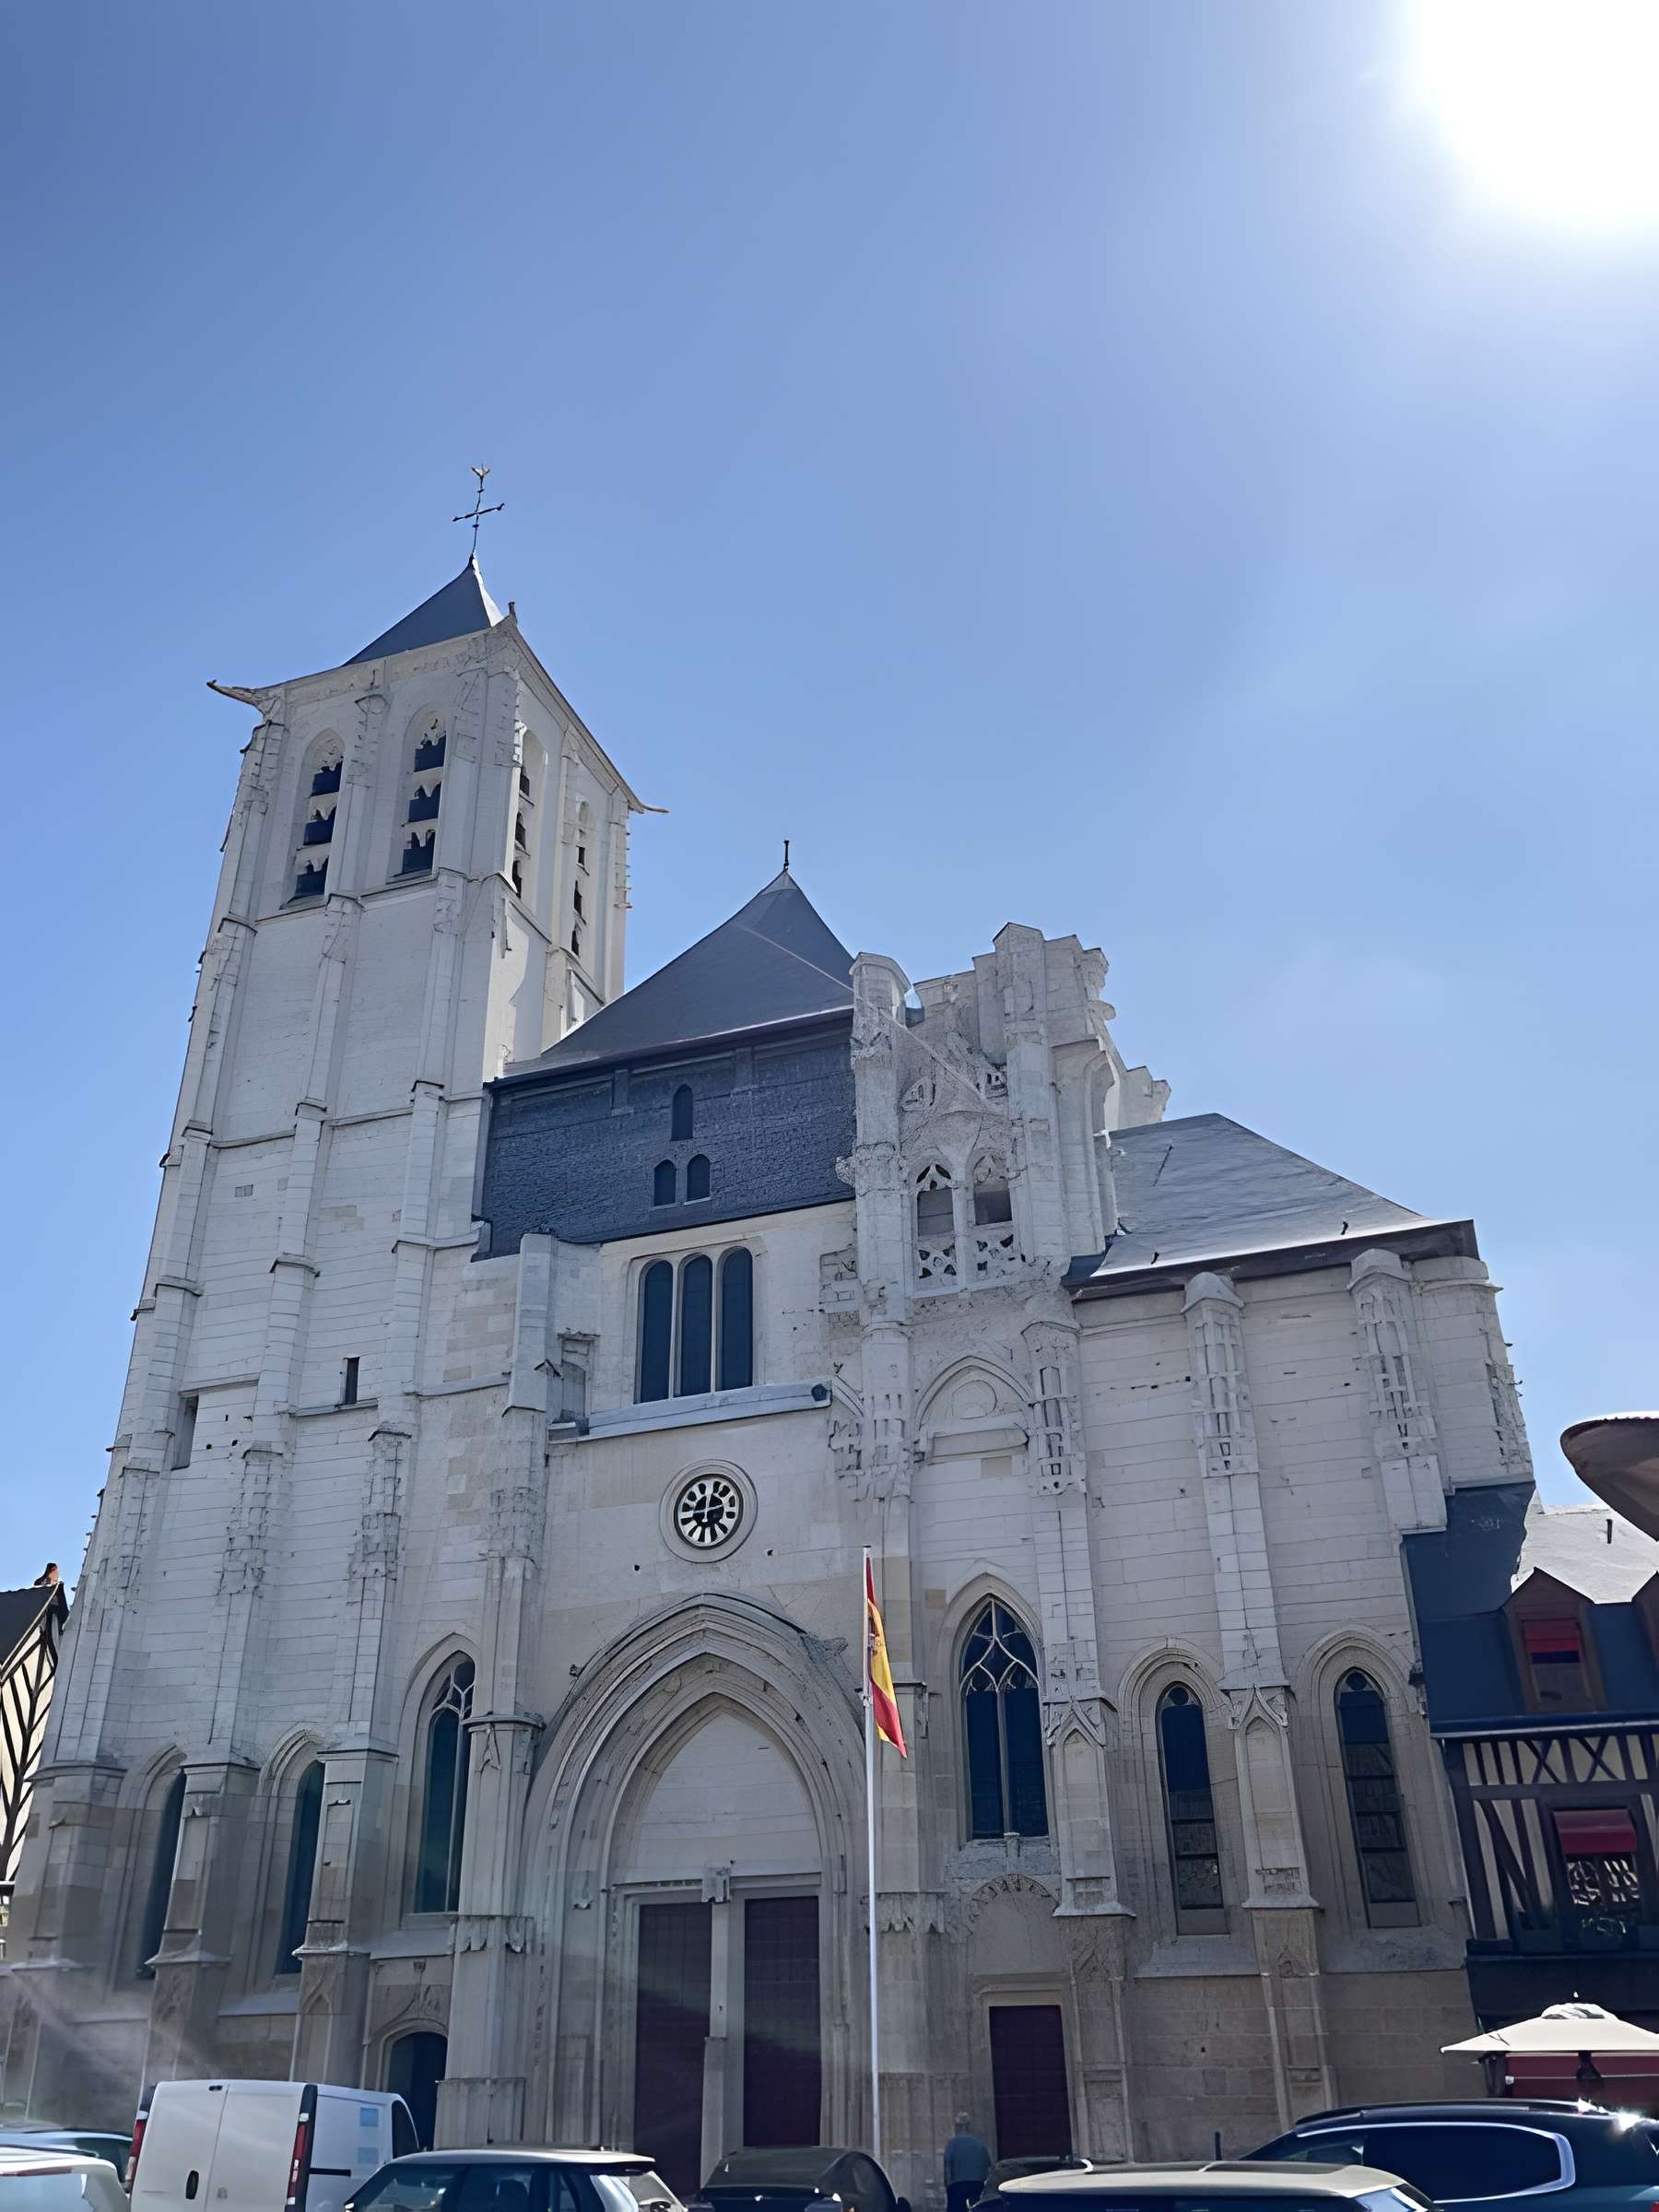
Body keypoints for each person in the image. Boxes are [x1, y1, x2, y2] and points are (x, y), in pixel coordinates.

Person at [943, 2115, 991, 2212]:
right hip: (977, 2186)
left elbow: (948, 2168)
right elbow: (987, 2168)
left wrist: (948, 2187)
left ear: (957, 2127)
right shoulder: (979, 2144)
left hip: (957, 2187)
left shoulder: (952, 2144)